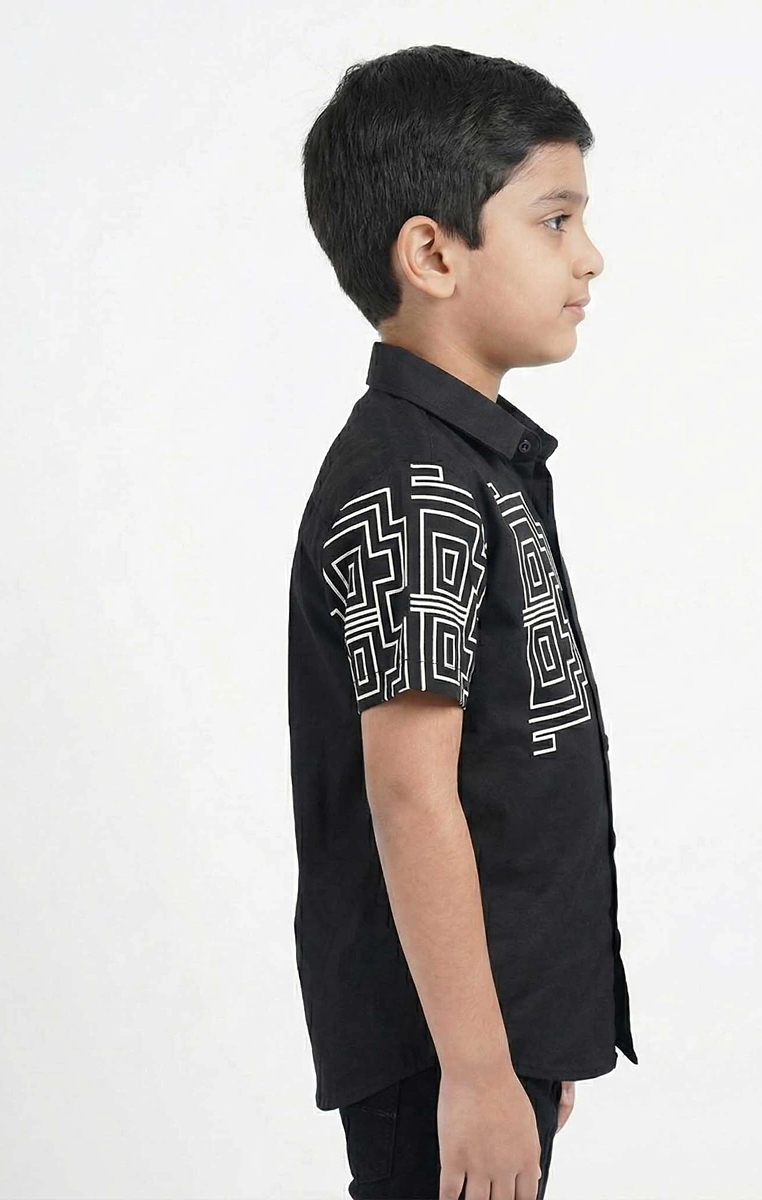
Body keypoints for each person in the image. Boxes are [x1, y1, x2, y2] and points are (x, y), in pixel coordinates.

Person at [288, 43, 637, 1200]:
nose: (589, 255)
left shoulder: (470, 461)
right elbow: (411, 792)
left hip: (490, 1027)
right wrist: (479, 1071)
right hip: (437, 1052)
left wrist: (531, 1035)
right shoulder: (414, 484)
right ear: (434, 253)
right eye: (555, 219)